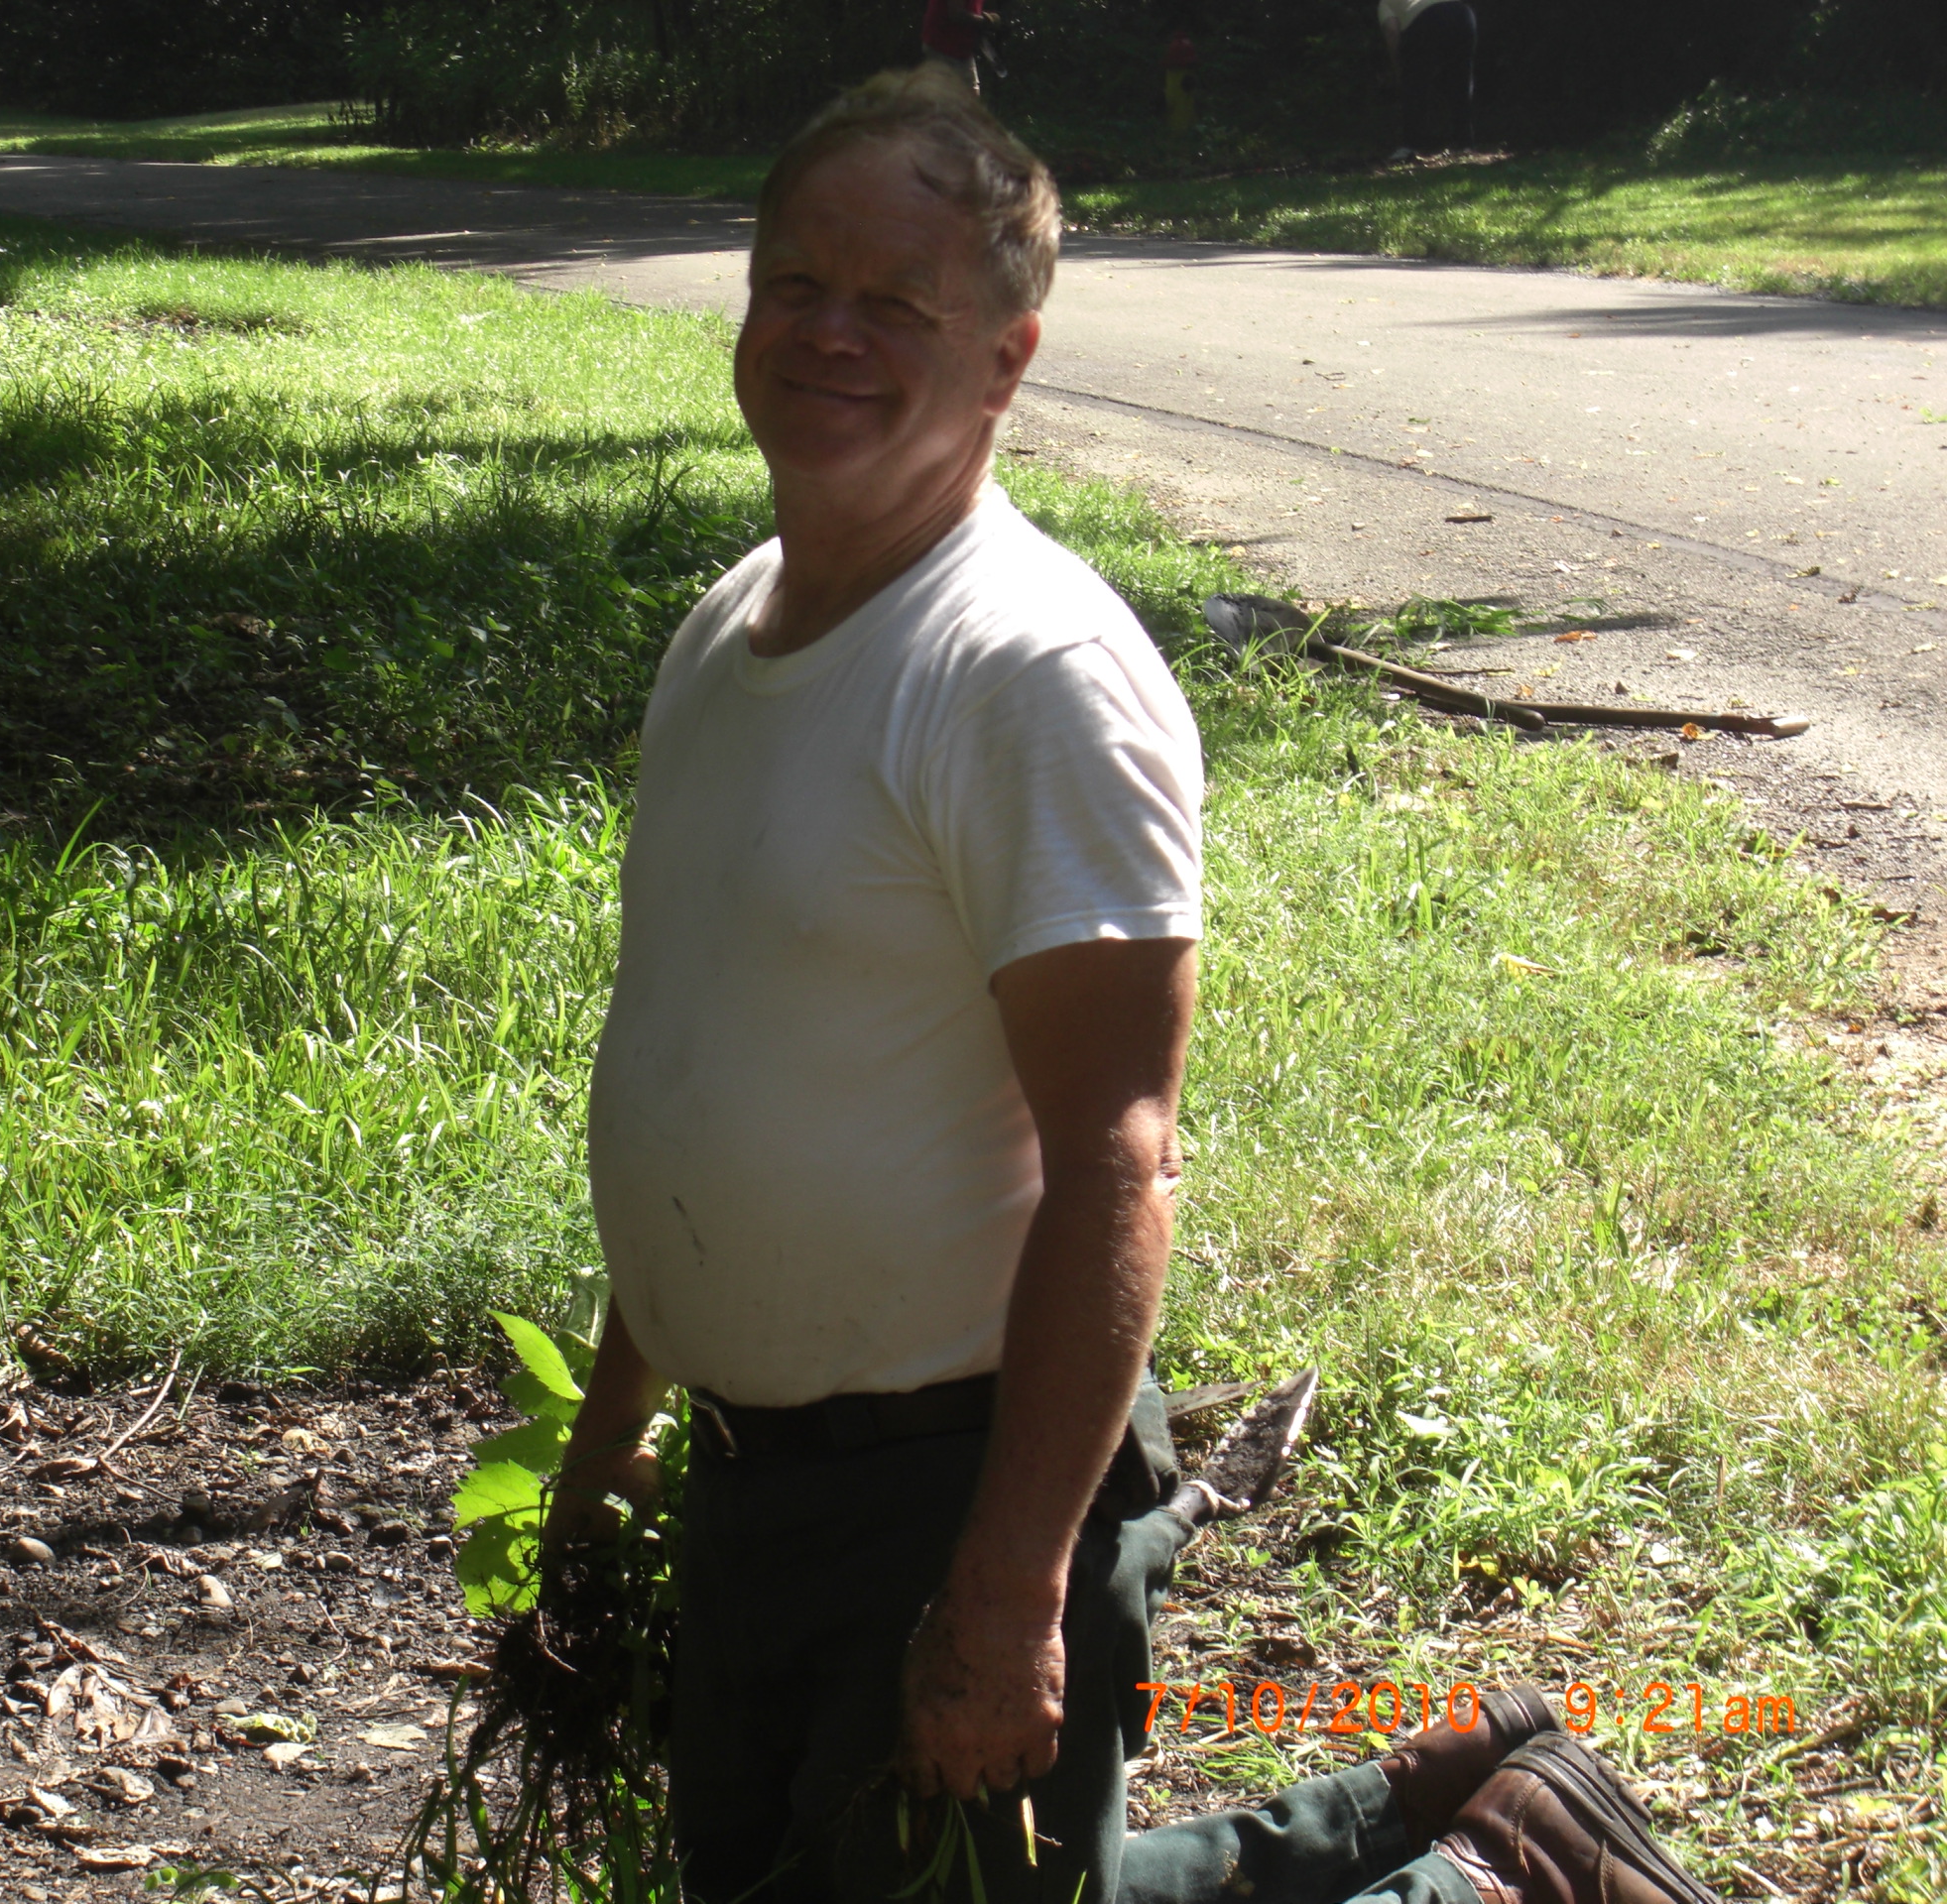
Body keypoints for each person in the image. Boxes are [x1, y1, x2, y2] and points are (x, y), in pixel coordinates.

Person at [551, 63, 1724, 1904]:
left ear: (1005, 360)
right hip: (756, 1477)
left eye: (899, 304)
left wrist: (1011, 1590)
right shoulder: (733, 625)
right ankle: (1448, 1810)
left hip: (950, 1479)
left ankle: (1495, 1884)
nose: (831, 334)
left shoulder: (1027, 672)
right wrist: (619, 1423)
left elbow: (1120, 1160)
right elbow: (711, 1063)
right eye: (798, 283)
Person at [1379, 0, 1477, 158]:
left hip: (1426, 20)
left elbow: (1391, 30)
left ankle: (1410, 144)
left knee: (1415, 84)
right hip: (1462, 14)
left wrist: (1398, 67)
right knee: (1460, 81)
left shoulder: (1385, 3)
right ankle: (1465, 142)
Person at [919, 0, 995, 93]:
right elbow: (956, 14)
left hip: (961, 50)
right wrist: (985, 21)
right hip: (943, 47)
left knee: (970, 96)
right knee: (946, 97)